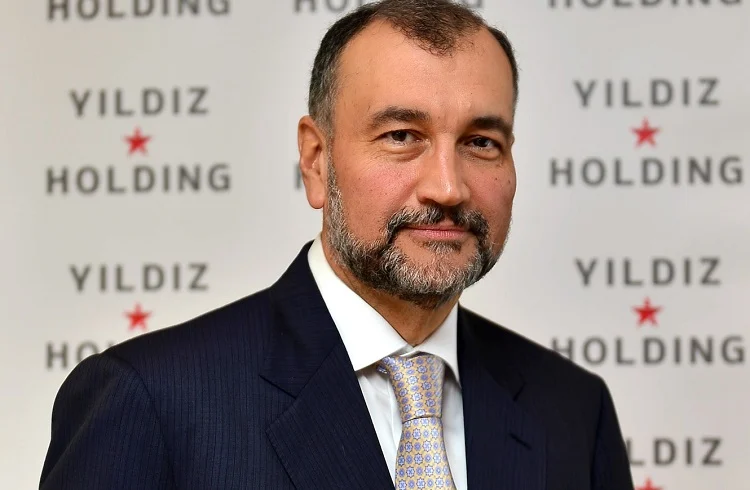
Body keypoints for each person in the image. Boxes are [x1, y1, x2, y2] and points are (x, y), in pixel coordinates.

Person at [40, 1, 634, 489]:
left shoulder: (574, 411)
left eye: (481, 143)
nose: (448, 188)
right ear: (317, 160)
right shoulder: (152, 400)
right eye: (402, 136)